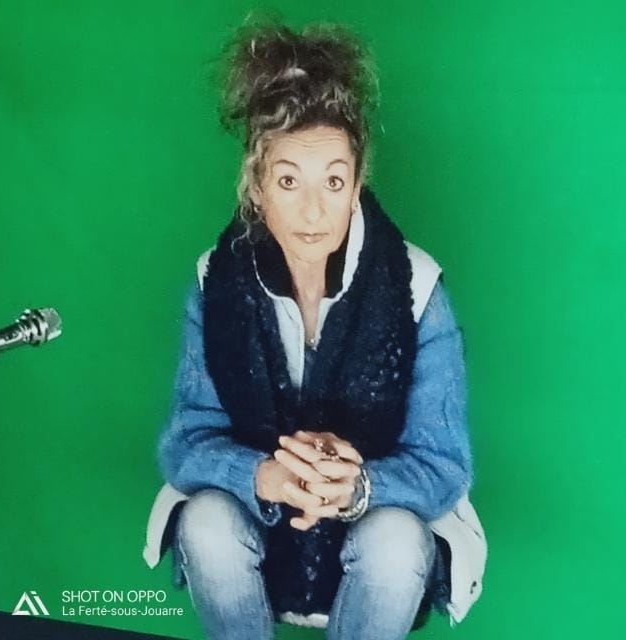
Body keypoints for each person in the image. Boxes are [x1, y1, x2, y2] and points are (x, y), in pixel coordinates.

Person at [142, 16, 487, 640]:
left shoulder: (418, 285)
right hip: (261, 526)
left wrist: (357, 486)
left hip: (371, 536)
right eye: (287, 181)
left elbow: (444, 464)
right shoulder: (214, 280)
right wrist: (264, 476)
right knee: (206, 522)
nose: (312, 211)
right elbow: (185, 441)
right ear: (256, 189)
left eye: (333, 181)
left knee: (398, 539)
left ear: (356, 187)